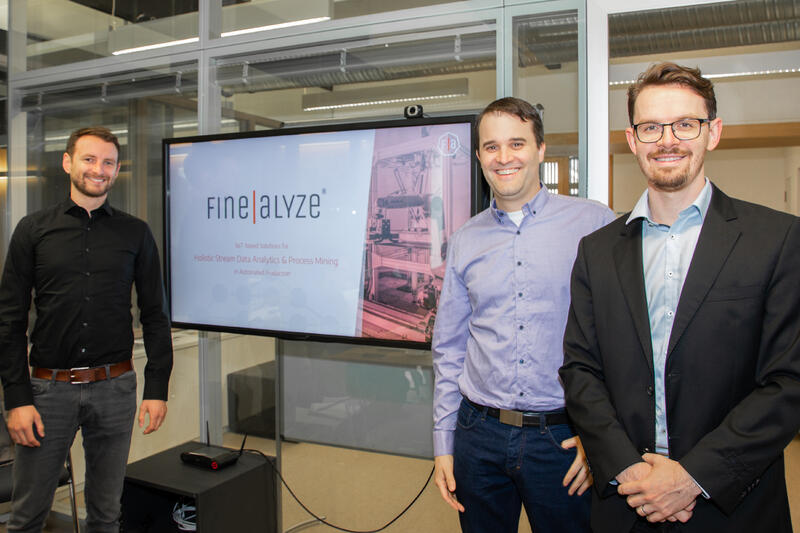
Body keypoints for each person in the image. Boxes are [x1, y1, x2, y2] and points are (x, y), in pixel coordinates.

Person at [560, 62, 800, 533]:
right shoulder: (596, 251)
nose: (666, 140)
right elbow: (580, 370)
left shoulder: (777, 239)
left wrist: (693, 477)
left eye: (685, 124)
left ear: (713, 132)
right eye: (650, 127)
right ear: (632, 140)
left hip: (732, 503)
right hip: (626, 501)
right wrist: (627, 469)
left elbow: (788, 382)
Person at [432, 97, 615, 532]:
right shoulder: (465, 239)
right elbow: (450, 348)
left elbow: (621, 342)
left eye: (517, 143)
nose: (504, 157)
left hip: (564, 437)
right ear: (479, 157)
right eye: (491, 147)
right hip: (477, 434)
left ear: (540, 149)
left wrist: (604, 437)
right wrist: (444, 442)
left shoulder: (594, 224)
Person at [0, 126, 173, 532]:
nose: (99, 169)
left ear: (117, 170)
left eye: (108, 162)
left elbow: (155, 314)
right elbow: (9, 320)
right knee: (27, 517)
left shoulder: (135, 232)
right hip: (47, 393)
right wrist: (16, 398)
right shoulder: (33, 230)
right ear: (68, 162)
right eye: (89, 159)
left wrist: (157, 388)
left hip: (115, 389)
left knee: (106, 515)